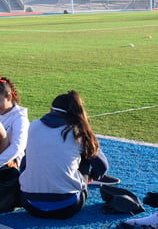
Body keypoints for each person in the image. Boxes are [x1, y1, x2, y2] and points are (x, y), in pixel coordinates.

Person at [19, 90, 110, 219]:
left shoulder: (33, 126)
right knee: (84, 157)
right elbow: (102, 166)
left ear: (51, 110)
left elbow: (25, 164)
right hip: (67, 206)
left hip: (29, 204)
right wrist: (91, 177)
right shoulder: (78, 131)